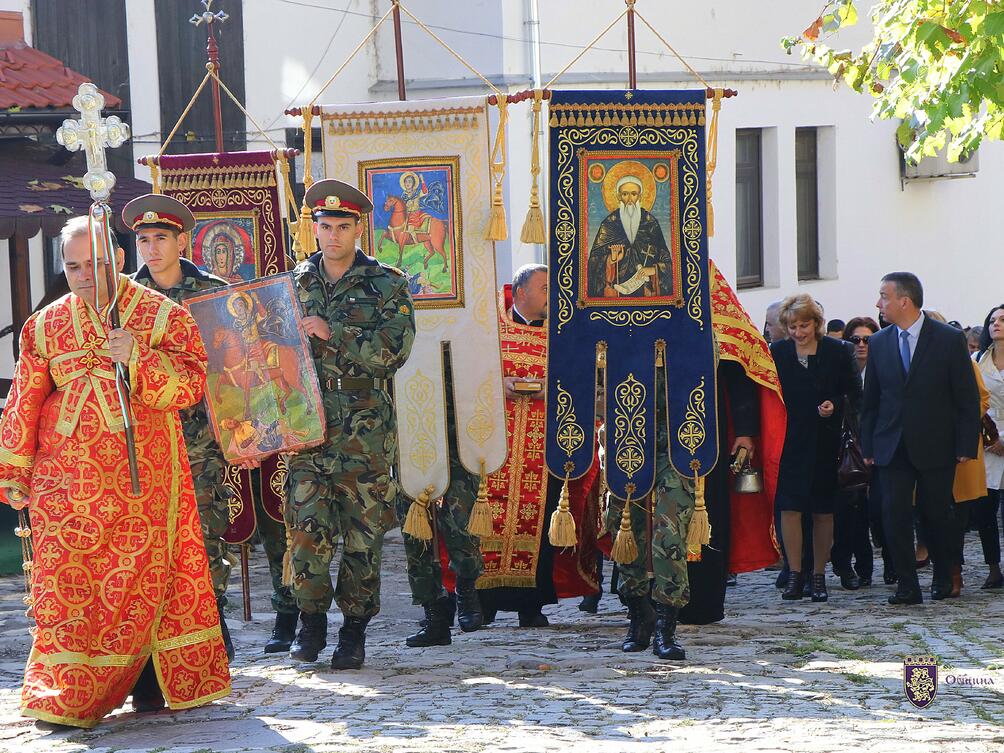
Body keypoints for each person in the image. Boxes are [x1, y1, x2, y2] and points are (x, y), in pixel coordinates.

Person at [0, 216, 230, 727]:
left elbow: (192, 383)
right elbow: (25, 399)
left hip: (142, 479)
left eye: (95, 264)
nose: (84, 275)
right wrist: (13, 470)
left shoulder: (160, 315)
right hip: (65, 488)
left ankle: (149, 683)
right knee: (71, 586)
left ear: (119, 261)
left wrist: (140, 359)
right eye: (73, 265)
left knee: (144, 578)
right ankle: (69, 691)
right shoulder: (46, 324)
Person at [284, 179, 415, 669]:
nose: (333, 235)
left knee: (364, 537)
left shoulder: (388, 284)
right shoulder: (293, 285)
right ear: (313, 229)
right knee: (306, 535)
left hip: (366, 434)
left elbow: (393, 353)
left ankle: (354, 631)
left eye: (343, 226)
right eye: (325, 226)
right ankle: (311, 621)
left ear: (358, 229)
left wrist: (331, 332)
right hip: (308, 429)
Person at [126, 196, 240, 659]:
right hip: (149, 437)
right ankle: (152, 638)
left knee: (206, 532)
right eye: (143, 240)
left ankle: (213, 622)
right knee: (149, 536)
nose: (151, 250)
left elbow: (238, 365)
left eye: (160, 240)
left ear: (182, 241)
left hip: (202, 438)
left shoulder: (212, 292)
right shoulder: (123, 300)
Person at [472, 264, 601, 628]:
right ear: (521, 291)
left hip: (542, 446)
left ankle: (532, 605)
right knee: (490, 522)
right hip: (497, 446)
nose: (552, 296)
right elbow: (472, 372)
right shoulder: (491, 328)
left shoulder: (563, 333)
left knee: (539, 520)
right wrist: (502, 381)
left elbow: (582, 378)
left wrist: (550, 387)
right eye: (545, 288)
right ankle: (485, 603)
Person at [860, 273, 981, 605]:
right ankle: (906, 584)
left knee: (936, 513)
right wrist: (868, 446)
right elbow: (871, 400)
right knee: (893, 514)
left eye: (883, 296)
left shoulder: (948, 338)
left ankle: (943, 576)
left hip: (936, 443)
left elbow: (966, 399)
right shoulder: (880, 342)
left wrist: (965, 445)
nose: (878, 303)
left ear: (904, 300)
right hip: (892, 445)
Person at [771, 294, 861, 603]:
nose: (799, 332)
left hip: (827, 442)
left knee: (823, 510)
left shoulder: (837, 351)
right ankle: (795, 574)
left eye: (804, 325)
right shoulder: (778, 352)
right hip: (790, 441)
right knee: (790, 507)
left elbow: (854, 393)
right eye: (793, 326)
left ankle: (819, 575)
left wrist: (833, 404)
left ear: (817, 324)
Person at [399, 344, 485, 647]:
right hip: (410, 430)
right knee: (416, 531)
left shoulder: (459, 319)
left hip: (457, 432)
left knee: (461, 520)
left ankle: (466, 588)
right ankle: (434, 614)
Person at [831, 316, 882, 589]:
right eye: (856, 339)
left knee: (873, 510)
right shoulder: (843, 370)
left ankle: (872, 564)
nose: (861, 345)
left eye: (867, 339)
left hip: (876, 444)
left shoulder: (882, 368)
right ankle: (846, 564)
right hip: (847, 447)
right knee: (848, 508)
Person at [587, 175, 673, 298]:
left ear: (640, 196)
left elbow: (667, 261)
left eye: (634, 194)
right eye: (625, 194)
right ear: (618, 196)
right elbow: (593, 264)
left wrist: (654, 270)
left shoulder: (650, 223)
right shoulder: (609, 224)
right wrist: (611, 260)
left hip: (646, 290)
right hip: (617, 293)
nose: (630, 199)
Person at [975, 305, 1004, 589]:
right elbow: (972, 401)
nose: (997, 324)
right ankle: (993, 566)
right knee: (985, 510)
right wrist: (990, 438)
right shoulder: (976, 359)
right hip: (987, 441)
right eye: (993, 320)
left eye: (1003, 319)